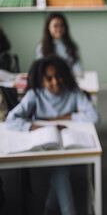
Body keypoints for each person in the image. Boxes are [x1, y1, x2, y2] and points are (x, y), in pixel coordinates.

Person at [5, 56, 99, 215]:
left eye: (58, 75)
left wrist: (63, 118)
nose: (55, 81)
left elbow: (94, 116)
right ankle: (66, 211)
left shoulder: (72, 93)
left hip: (67, 142)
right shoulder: (35, 95)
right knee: (61, 170)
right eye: (49, 78)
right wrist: (35, 126)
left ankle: (49, 208)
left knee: (60, 169)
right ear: (41, 81)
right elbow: (11, 120)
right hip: (42, 143)